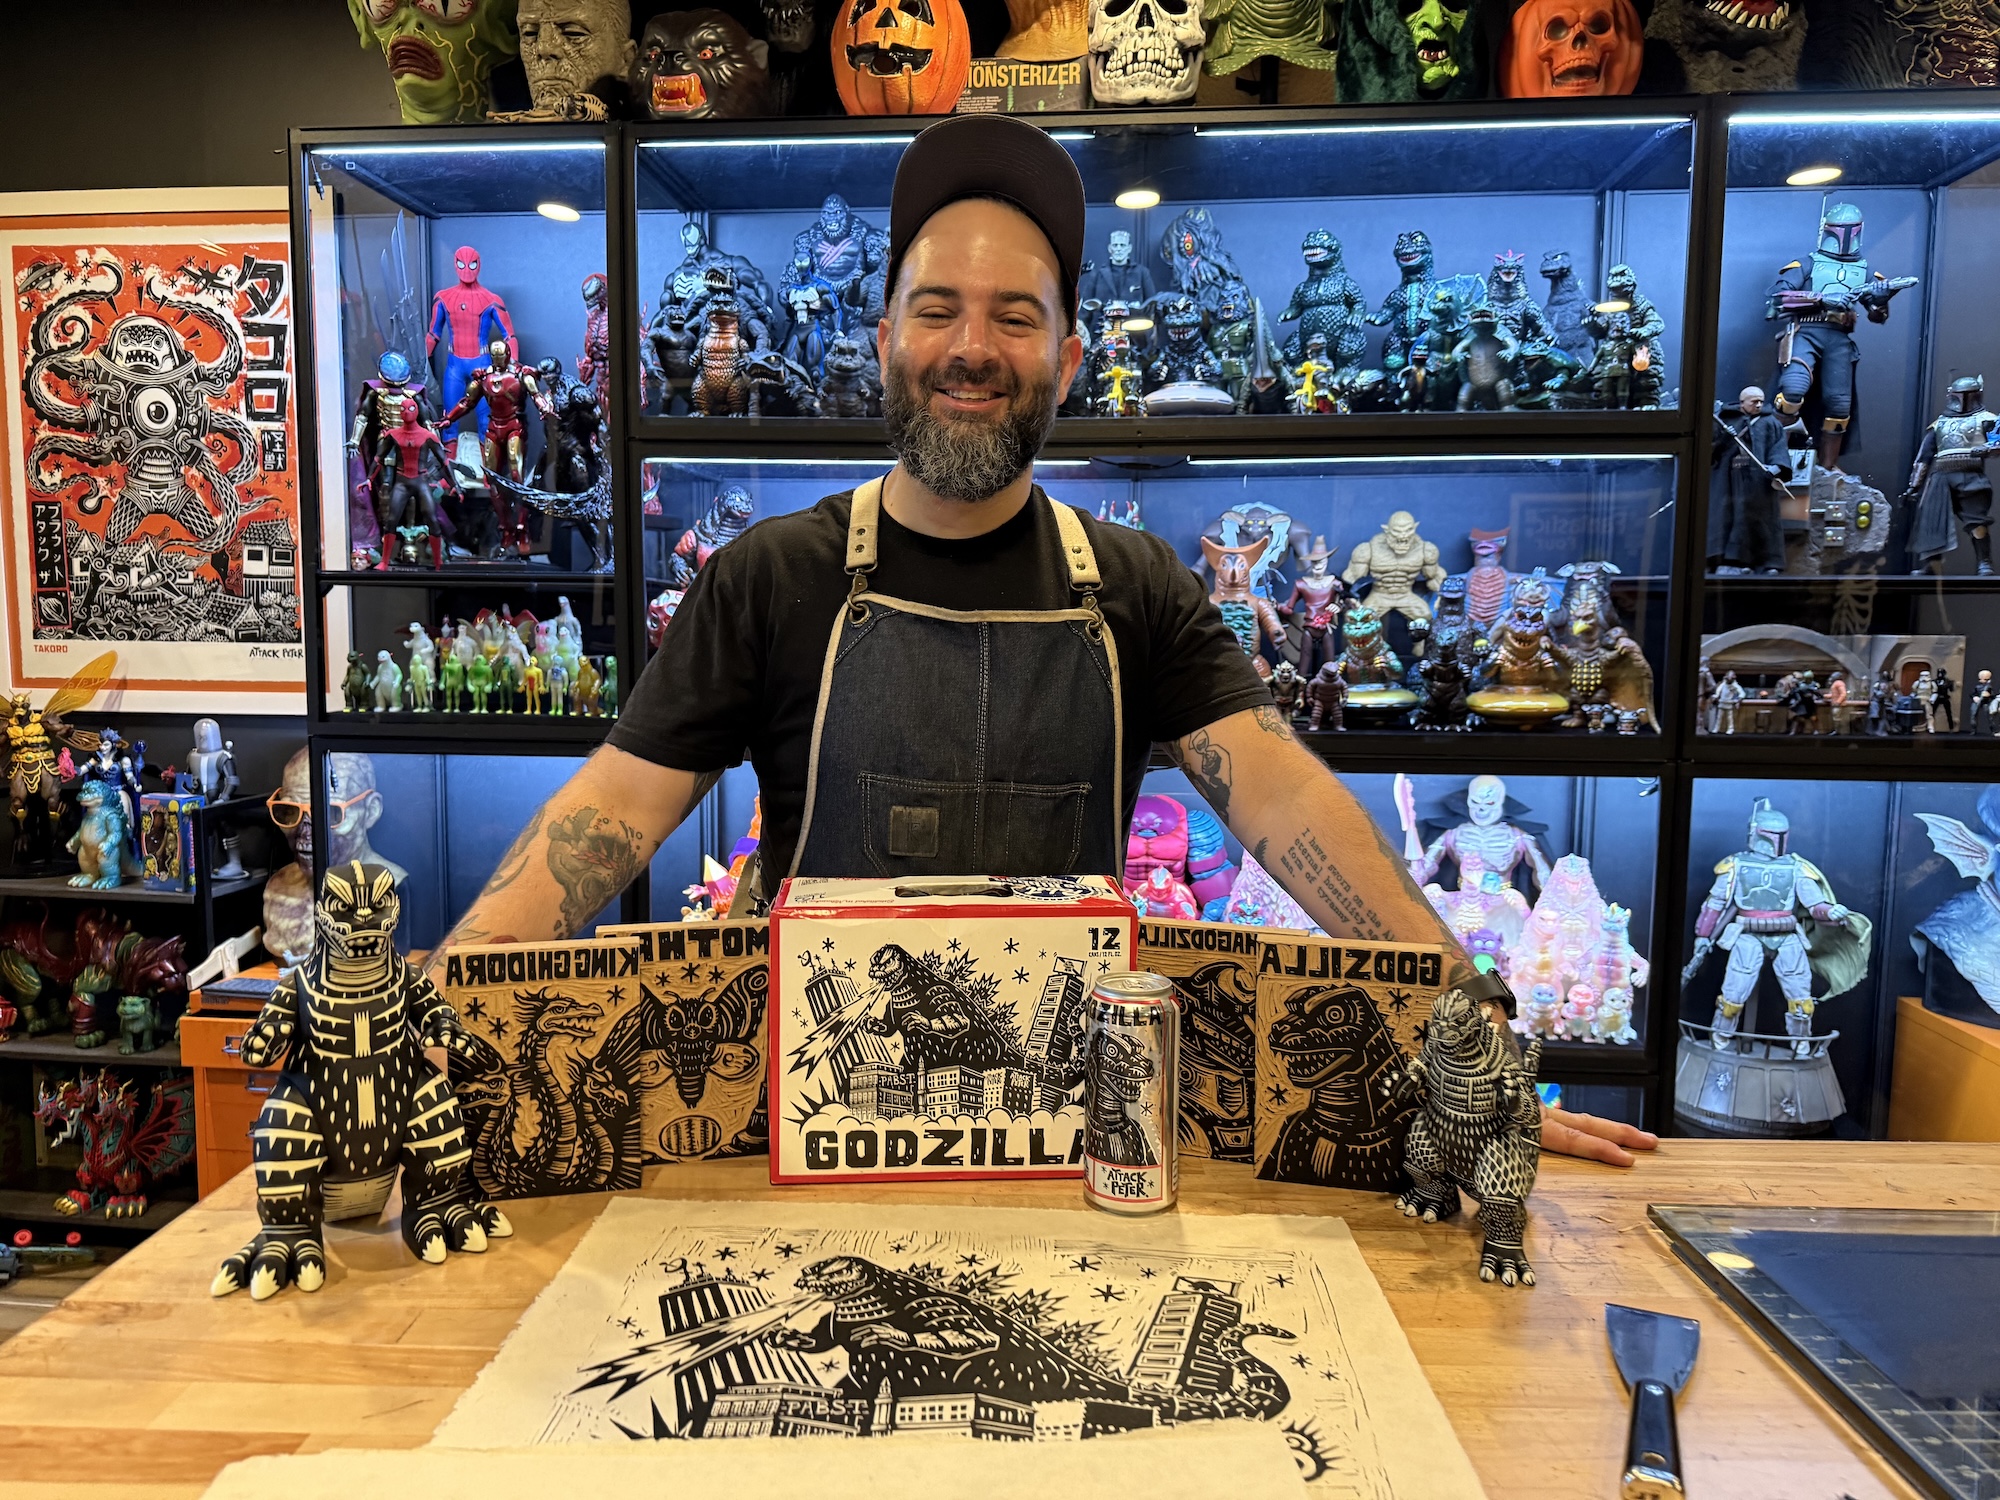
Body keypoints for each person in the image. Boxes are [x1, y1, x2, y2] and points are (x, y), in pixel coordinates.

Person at [424, 115, 1653, 1168]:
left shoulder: (1134, 587)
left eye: (1015, 317)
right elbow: (610, 817)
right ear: (883, 338)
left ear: (1067, 356)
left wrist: (1467, 1031)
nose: (973, 348)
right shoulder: (772, 579)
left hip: (1082, 1136)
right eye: (938, 310)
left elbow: (1289, 802)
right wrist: (431, 1014)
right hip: (817, 1131)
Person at [1708, 385, 1788, 574]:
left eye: (1761, 401)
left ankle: (1766, 563)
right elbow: (1711, 449)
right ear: (1742, 402)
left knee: (1761, 521)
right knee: (1726, 518)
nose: (1759, 405)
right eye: (1754, 402)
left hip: (1759, 482)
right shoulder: (1725, 420)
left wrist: (1775, 468)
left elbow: (1778, 448)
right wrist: (1723, 437)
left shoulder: (1771, 423)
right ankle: (1727, 562)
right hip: (1728, 480)